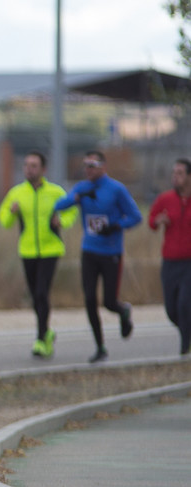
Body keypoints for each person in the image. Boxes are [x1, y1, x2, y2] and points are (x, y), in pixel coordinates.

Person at [53, 150, 143, 363]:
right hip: (89, 251)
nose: (88, 169)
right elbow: (59, 205)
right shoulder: (83, 188)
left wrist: (115, 226)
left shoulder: (116, 189)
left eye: (92, 165)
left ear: (103, 167)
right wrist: (75, 198)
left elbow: (135, 216)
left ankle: (123, 311)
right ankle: (100, 346)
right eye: (86, 165)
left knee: (109, 302)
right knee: (90, 299)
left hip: (111, 252)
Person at [0, 151, 78, 358]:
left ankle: (41, 339)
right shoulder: (17, 193)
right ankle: (47, 332)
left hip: (50, 249)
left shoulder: (55, 192)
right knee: (35, 296)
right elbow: (3, 219)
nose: (29, 169)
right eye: (26, 165)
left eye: (33, 165)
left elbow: (72, 210)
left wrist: (63, 221)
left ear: (43, 169)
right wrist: (12, 212)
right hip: (28, 250)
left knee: (42, 292)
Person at [148, 157, 191, 355]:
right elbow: (151, 220)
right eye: (174, 173)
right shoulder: (166, 199)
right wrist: (158, 221)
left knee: (184, 303)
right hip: (170, 261)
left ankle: (184, 349)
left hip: (189, 262)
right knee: (172, 310)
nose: (175, 177)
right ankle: (187, 332)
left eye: (180, 173)